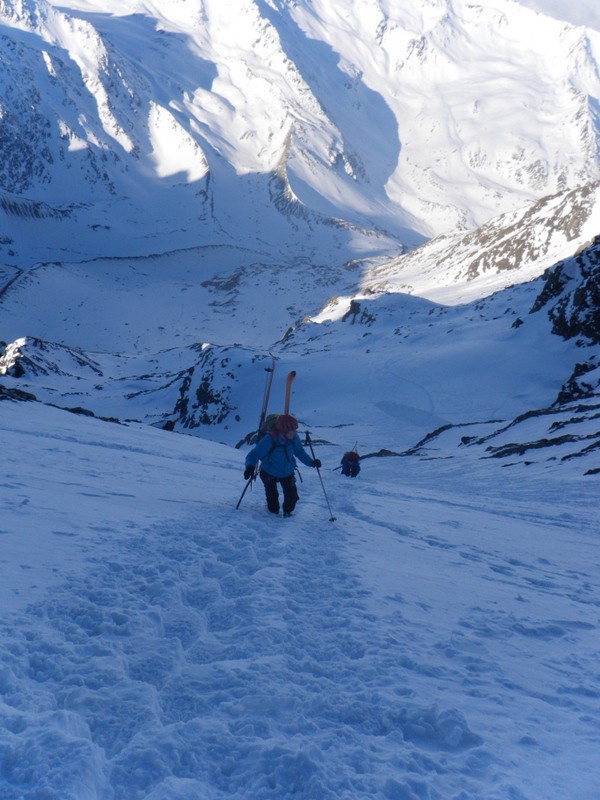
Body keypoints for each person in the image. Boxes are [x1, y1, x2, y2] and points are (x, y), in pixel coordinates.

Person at [244, 414, 321, 517]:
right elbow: (253, 454)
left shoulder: (293, 439)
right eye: (292, 430)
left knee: (291, 502)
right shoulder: (269, 440)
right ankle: (273, 513)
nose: (295, 432)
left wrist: (311, 462)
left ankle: (287, 513)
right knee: (273, 507)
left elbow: (299, 452)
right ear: (284, 430)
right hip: (269, 472)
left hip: (287, 472)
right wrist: (250, 467)